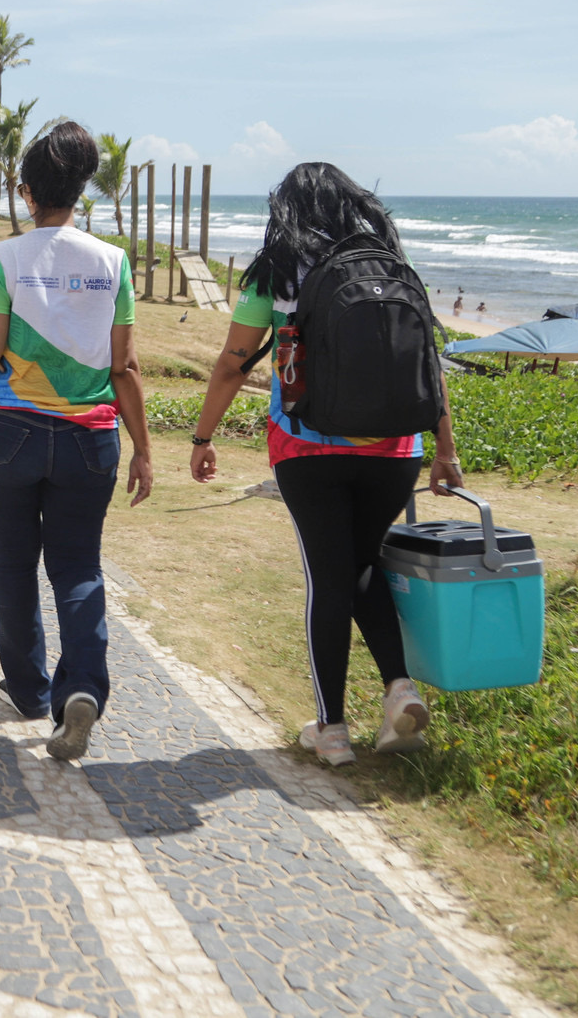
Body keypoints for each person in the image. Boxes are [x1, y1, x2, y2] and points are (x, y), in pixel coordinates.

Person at [188, 162, 462, 767]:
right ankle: (400, 690)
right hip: (396, 450)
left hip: (308, 448)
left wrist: (203, 436)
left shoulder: (275, 275)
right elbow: (428, 364)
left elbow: (234, 365)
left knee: (328, 578)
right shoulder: (388, 260)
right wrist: (445, 449)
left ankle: (331, 729)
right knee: (361, 565)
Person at [0, 124, 152, 764]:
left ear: (27, 192)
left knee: (12, 563)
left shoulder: (4, 259)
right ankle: (82, 685)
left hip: (10, 435)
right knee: (79, 567)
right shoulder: (112, 262)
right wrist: (143, 447)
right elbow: (126, 368)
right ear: (83, 188)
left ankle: (30, 690)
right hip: (90, 441)